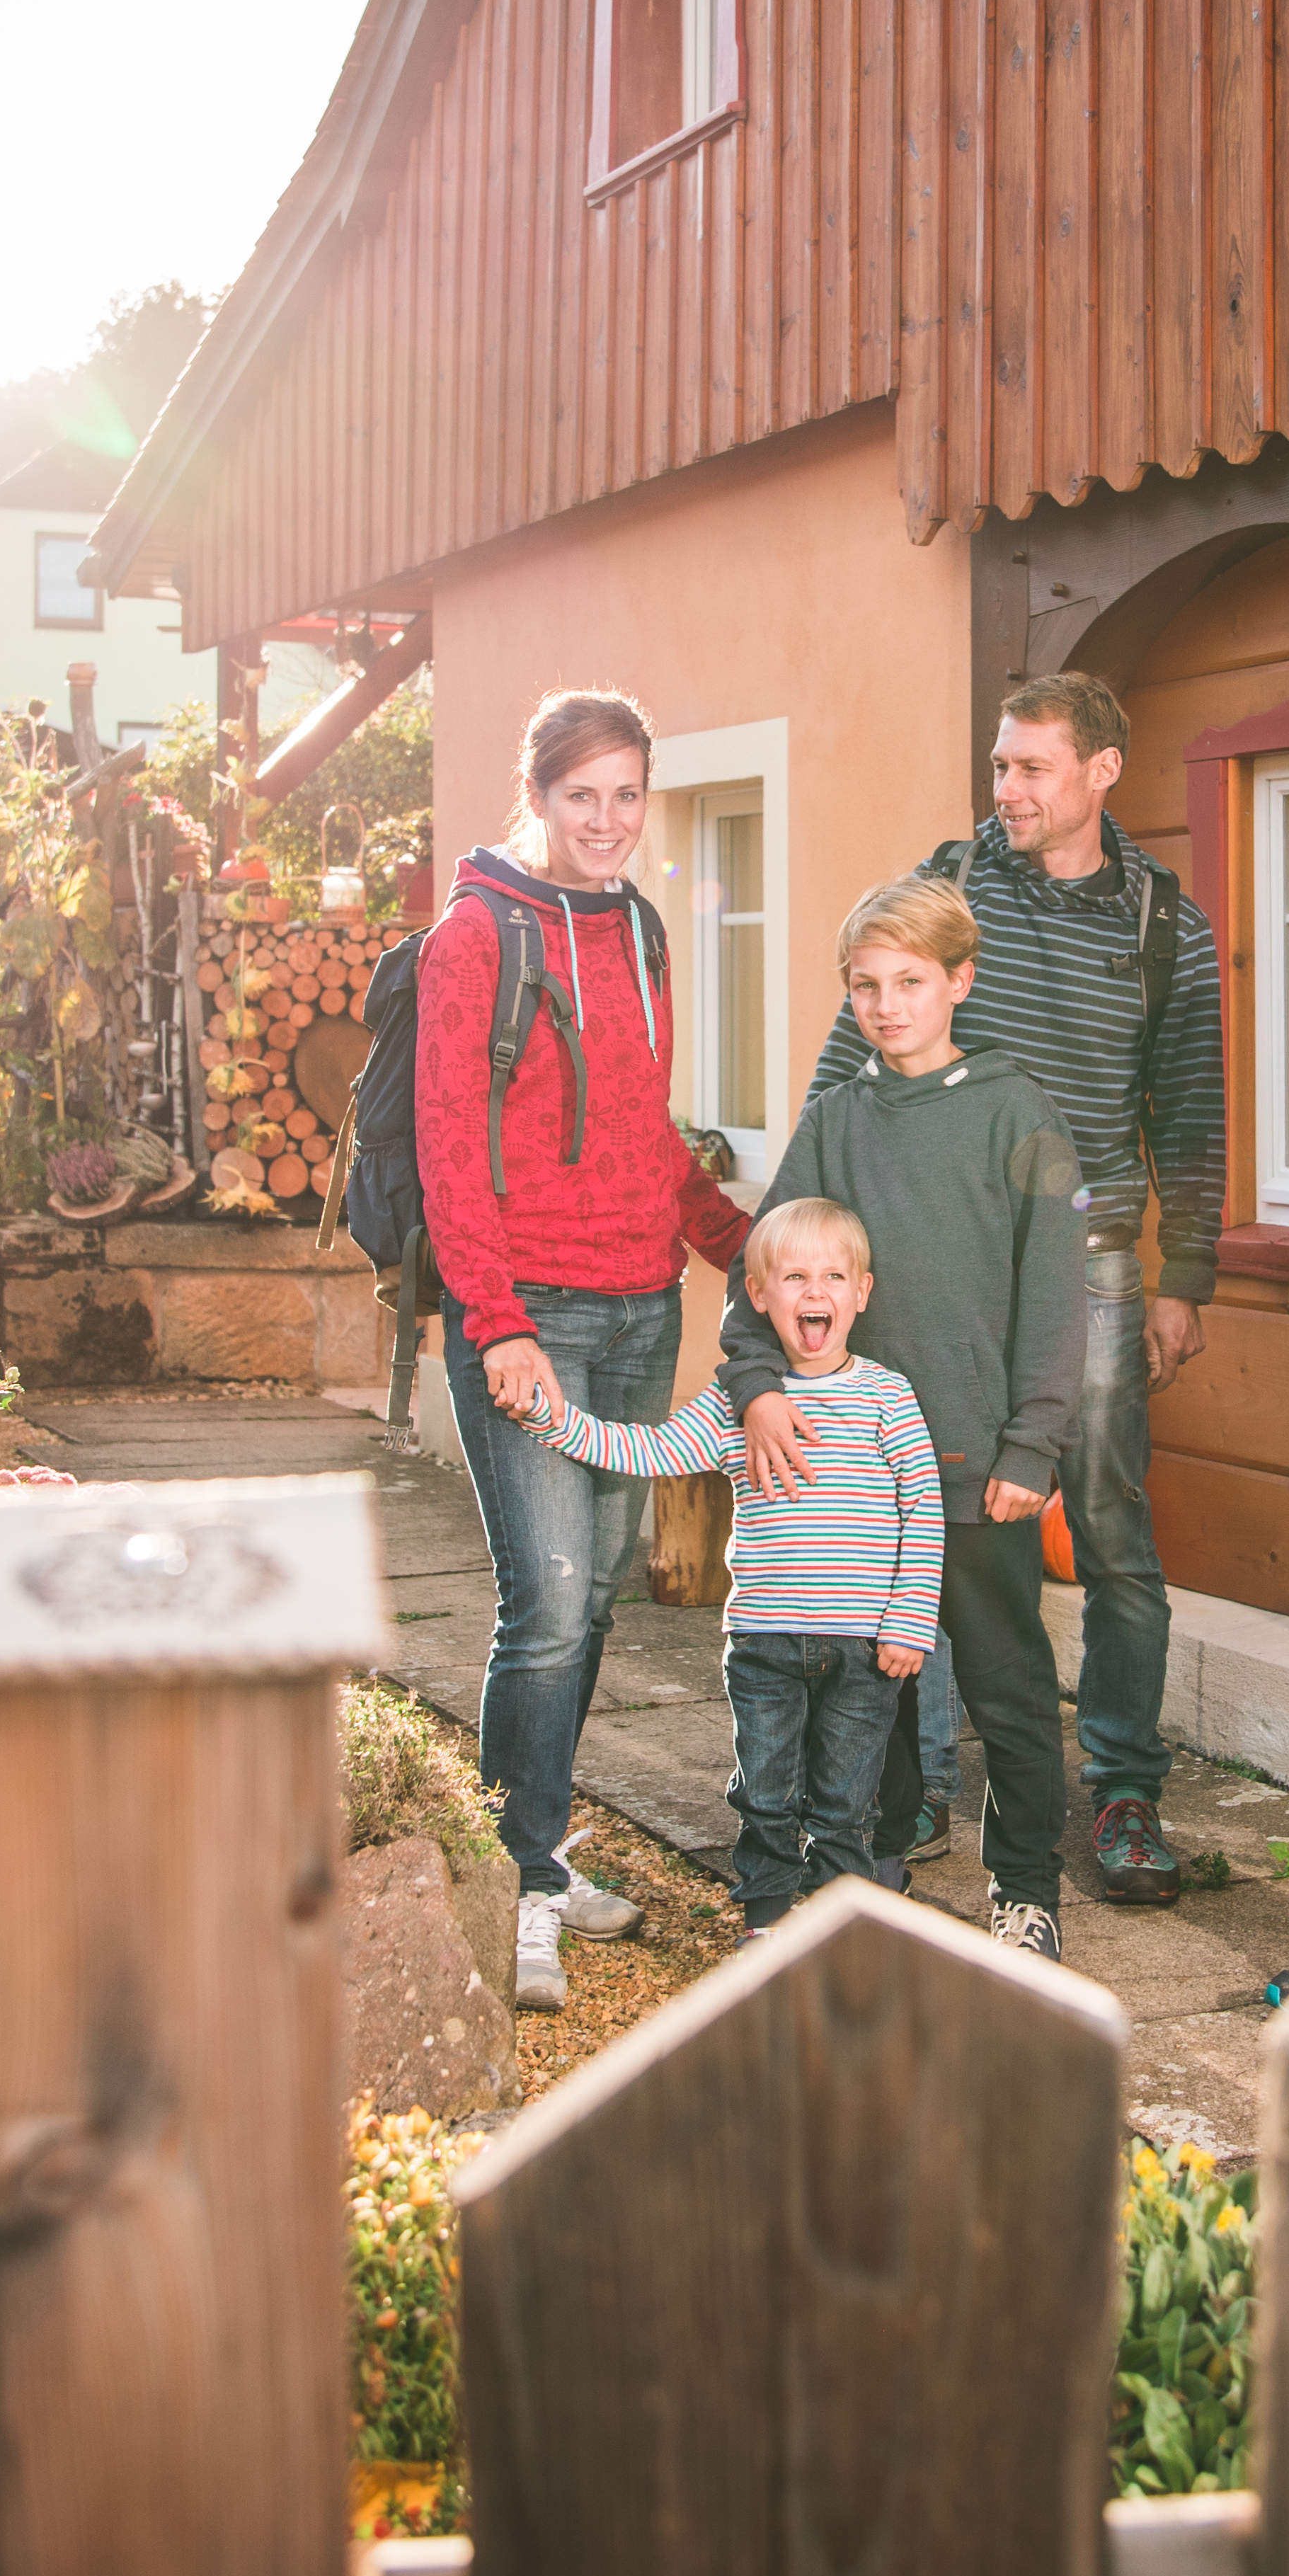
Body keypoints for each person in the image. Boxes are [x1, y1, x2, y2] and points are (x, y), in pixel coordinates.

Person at [772, 672, 1220, 1908]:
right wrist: (804, 1226)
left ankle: (1122, 1790)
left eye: (1031, 768)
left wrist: (1187, 1271)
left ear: (1101, 772)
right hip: (940, 1264)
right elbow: (847, 1063)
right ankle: (910, 1790)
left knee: (1114, 1535)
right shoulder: (947, 884)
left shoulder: (1159, 923)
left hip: (1089, 1268)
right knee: (921, 1522)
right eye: (1000, 765)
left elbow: (1188, 1107)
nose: (1006, 788)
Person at [417, 686, 753, 2012]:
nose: (608, 821)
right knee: (548, 1602)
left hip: (640, 1304)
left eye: (628, 796)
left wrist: (743, 1245)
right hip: (534, 1316)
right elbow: (453, 1149)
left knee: (598, 1588)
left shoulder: (640, 929)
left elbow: (642, 1131)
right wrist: (495, 1325)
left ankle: (540, 1847)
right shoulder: (473, 936)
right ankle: (517, 1878)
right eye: (582, 796)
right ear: (539, 795)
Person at [721, 875, 1090, 1957]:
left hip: (978, 1466)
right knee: (862, 1694)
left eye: (911, 983)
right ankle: (867, 1873)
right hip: (855, 1478)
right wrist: (757, 1390)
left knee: (1007, 1690)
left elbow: (1058, 1294)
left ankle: (1025, 1890)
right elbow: (767, 1270)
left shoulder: (1015, 1111)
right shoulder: (840, 1118)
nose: (887, 1007)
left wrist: (1034, 1439)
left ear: (959, 983)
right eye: (867, 986)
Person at [504, 1198, 941, 1940]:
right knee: (765, 1794)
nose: (815, 1292)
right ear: (760, 1297)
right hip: (766, 1643)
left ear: (861, 1293)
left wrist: (910, 1620)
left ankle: (836, 1928)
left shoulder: (885, 1397)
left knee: (846, 1802)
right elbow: (647, 1451)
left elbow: (921, 1511)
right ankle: (768, 1920)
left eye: (834, 1276)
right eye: (795, 1276)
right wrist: (556, 1420)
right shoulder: (732, 1406)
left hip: (865, 1648)